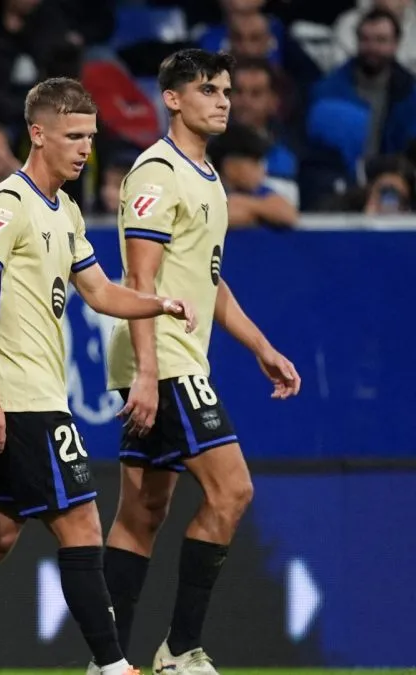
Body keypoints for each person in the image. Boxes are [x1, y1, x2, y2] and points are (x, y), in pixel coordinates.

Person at [0, 78, 195, 675]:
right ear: (38, 134)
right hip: (23, 400)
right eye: (73, 136)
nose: (85, 148)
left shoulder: (66, 210)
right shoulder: (8, 204)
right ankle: (113, 668)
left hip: (35, 396)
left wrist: (159, 303)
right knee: (82, 524)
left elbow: (99, 292)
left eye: (90, 137)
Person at [104, 48, 302, 675]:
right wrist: (146, 374)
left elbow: (207, 281)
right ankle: (180, 650)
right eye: (208, 90)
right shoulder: (158, 172)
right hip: (162, 359)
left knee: (142, 514)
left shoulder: (207, 176)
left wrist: (261, 346)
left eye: (226, 91)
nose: (223, 101)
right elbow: (140, 280)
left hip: (174, 357)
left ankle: (107, 663)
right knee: (232, 489)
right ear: (172, 98)